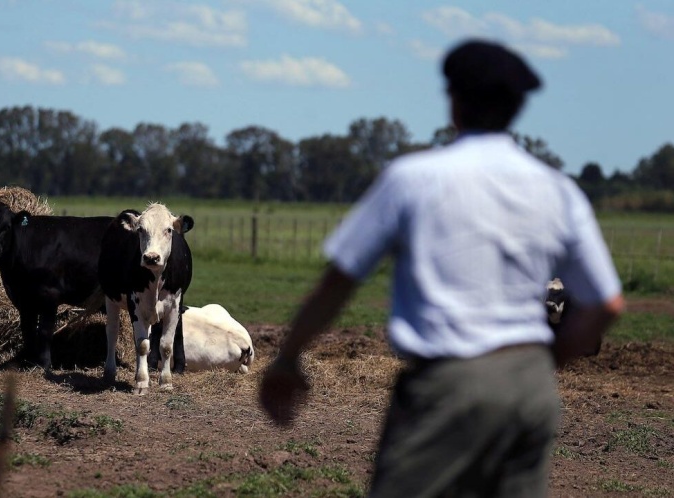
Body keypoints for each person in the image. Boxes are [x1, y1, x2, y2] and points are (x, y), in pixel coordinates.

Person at [259, 38, 624, 497]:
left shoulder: (413, 178)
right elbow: (606, 303)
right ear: (517, 109)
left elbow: (339, 281)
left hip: (448, 383)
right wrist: (543, 363)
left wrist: (289, 359)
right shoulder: (557, 189)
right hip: (530, 387)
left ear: (454, 101)